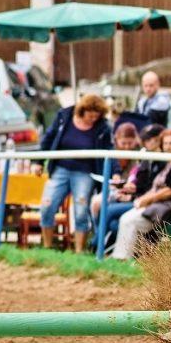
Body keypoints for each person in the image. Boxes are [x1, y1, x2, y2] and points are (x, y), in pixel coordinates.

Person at [32, 94, 112, 253]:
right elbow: (48, 138)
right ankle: (47, 248)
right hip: (60, 168)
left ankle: (79, 251)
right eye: (90, 115)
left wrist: (113, 172)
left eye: (96, 116)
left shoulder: (103, 127)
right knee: (47, 205)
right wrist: (38, 161)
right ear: (83, 110)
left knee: (81, 211)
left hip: (85, 172)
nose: (93, 119)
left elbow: (109, 150)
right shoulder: (64, 116)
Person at [111, 129, 171, 260]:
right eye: (165, 143)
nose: (168, 147)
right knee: (125, 218)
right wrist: (142, 199)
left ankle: (122, 258)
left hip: (168, 206)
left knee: (129, 221)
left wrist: (148, 200)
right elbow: (155, 187)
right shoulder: (167, 162)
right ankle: (121, 257)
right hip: (155, 203)